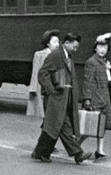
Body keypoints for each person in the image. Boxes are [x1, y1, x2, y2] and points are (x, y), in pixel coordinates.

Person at [31, 32, 92, 164]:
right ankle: (77, 154)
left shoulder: (67, 55)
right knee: (60, 126)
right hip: (57, 98)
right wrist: (51, 90)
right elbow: (42, 73)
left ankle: (40, 152)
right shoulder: (56, 55)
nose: (76, 49)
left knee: (58, 127)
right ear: (67, 43)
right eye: (74, 46)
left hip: (63, 99)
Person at [81, 33, 111, 160]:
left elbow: (108, 82)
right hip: (96, 98)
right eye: (100, 47)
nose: (102, 50)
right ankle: (76, 145)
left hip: (105, 97)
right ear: (95, 48)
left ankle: (100, 149)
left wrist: (108, 71)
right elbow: (87, 82)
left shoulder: (104, 62)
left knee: (102, 125)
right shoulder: (91, 62)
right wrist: (87, 99)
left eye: (105, 47)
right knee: (90, 126)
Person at [27, 30, 60, 119]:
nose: (57, 44)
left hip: (54, 87)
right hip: (42, 88)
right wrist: (33, 89)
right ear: (48, 43)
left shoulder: (58, 55)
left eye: (58, 42)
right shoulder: (39, 55)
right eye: (54, 42)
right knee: (45, 114)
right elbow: (35, 72)